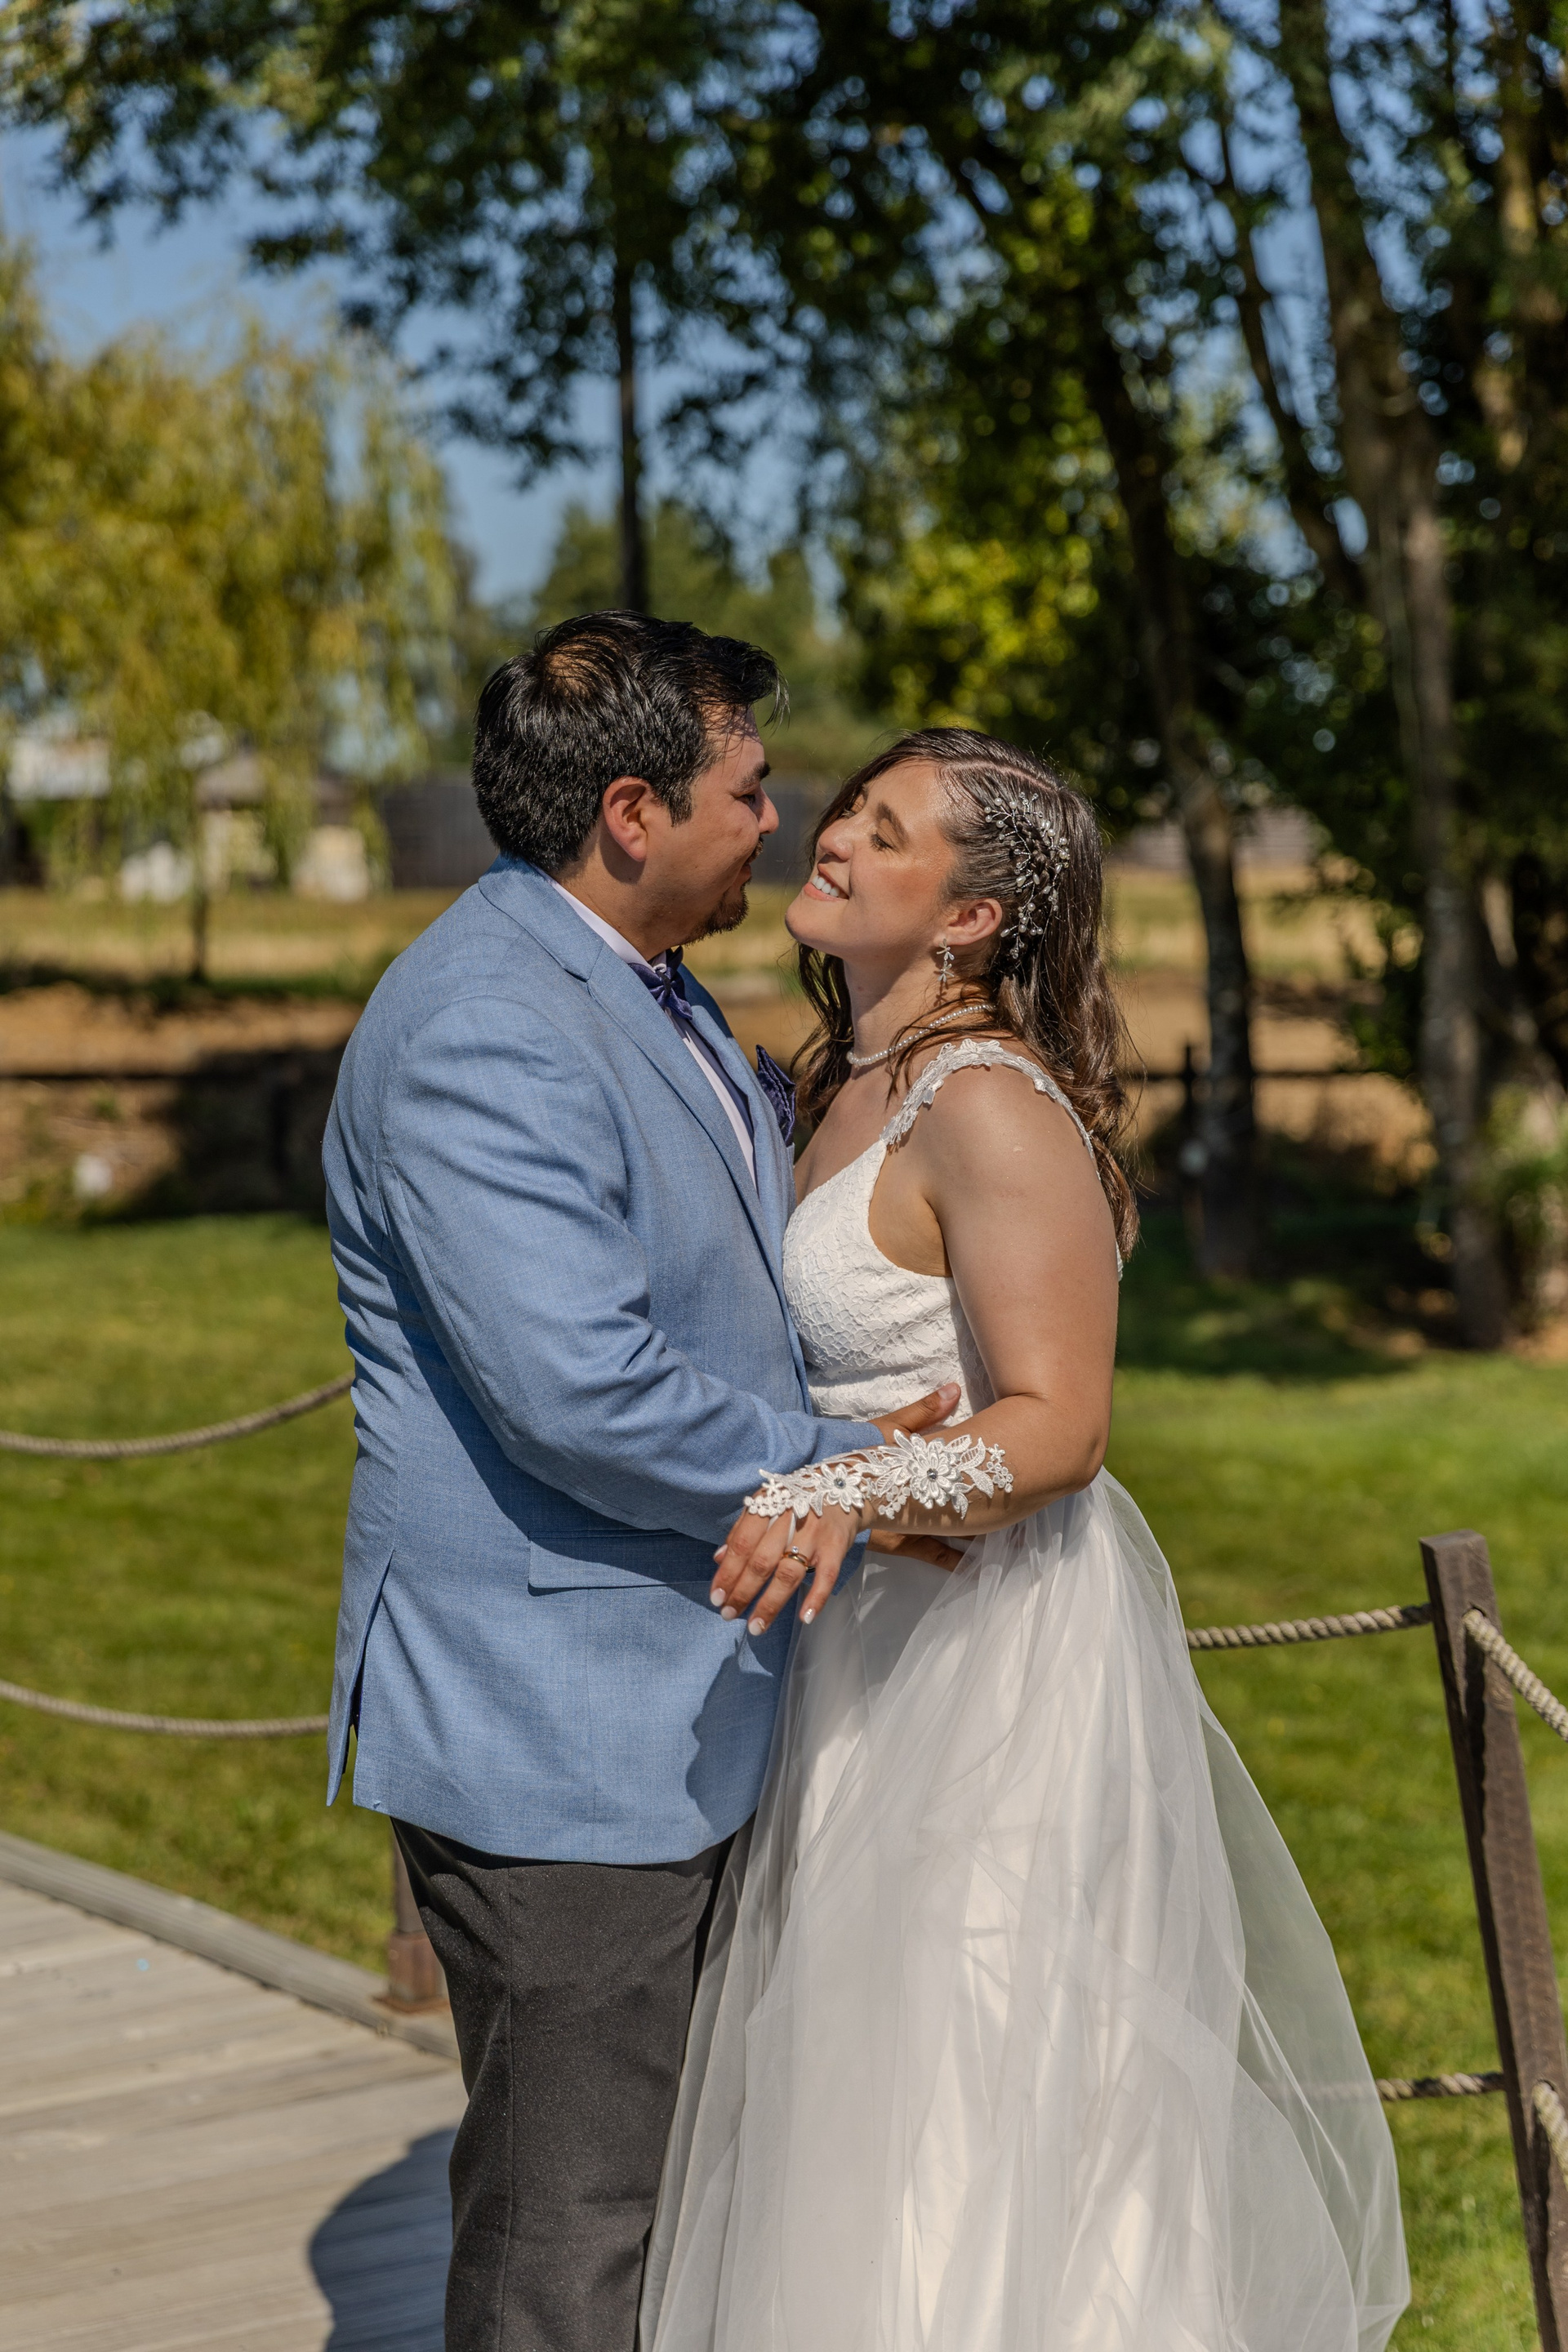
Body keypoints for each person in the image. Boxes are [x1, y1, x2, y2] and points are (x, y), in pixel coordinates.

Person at [641, 728, 1410, 2352]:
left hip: (987, 1656)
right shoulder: (831, 1082)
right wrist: (836, 1473)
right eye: (851, 810)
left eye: (888, 831)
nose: (833, 837)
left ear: (973, 918)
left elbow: (1060, 1426)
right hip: (859, 1641)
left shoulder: (984, 1104)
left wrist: (841, 1491)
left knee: (966, 2068)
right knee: (848, 2076)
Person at [321, 617, 956, 2352]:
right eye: (747, 789)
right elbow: (579, 1393)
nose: (777, 820)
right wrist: (860, 1474)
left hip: (684, 1689)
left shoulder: (637, 982)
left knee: (669, 2206)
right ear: (630, 812)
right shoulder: (486, 1027)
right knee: (575, 2239)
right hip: (562, 1725)